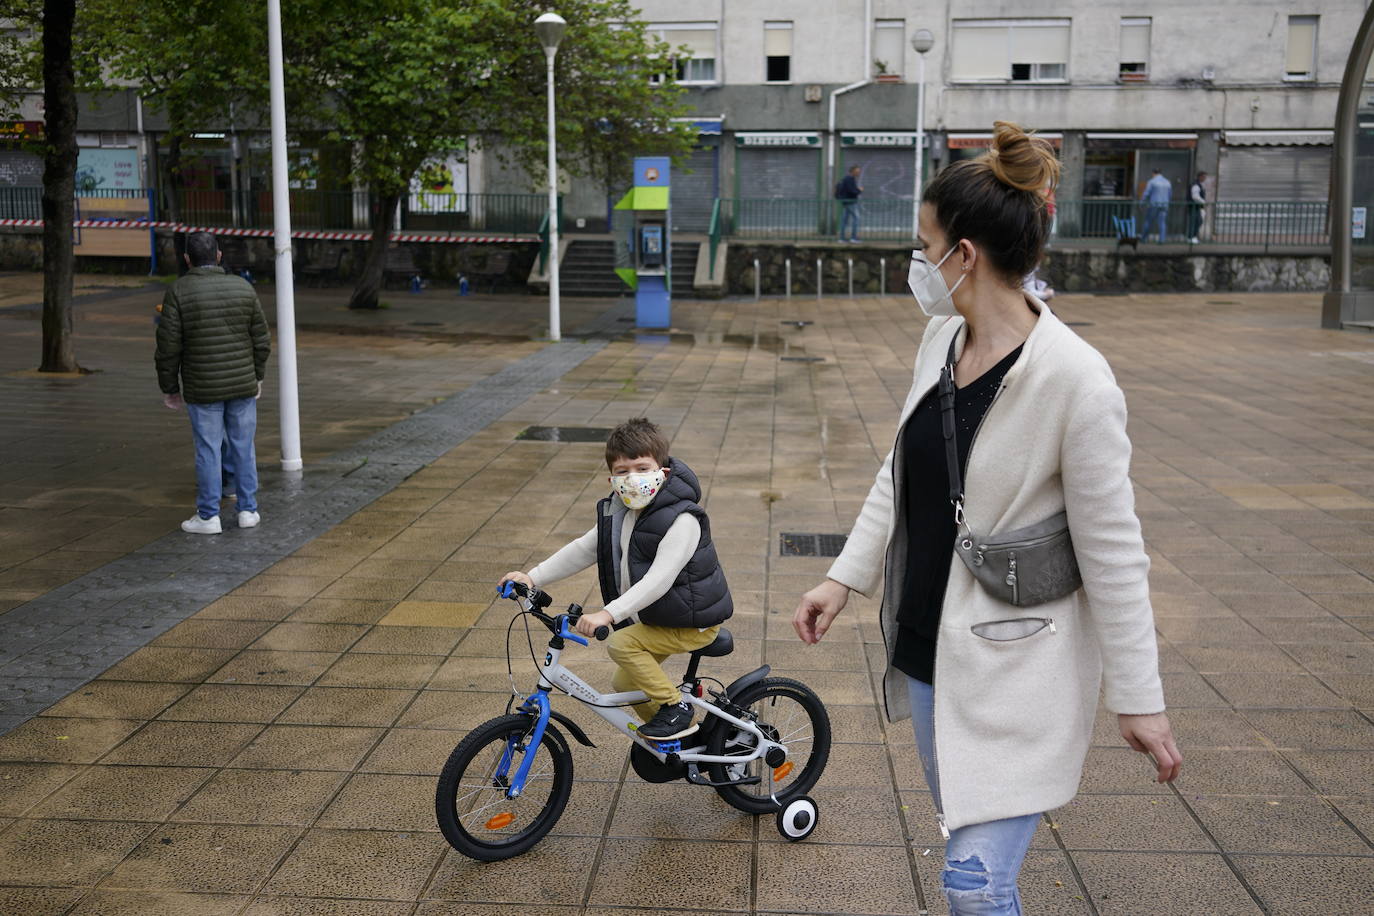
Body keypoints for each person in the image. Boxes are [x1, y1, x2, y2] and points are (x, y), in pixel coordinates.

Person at [792, 121, 1180, 915]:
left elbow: (1115, 553)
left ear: (962, 255)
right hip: (930, 649)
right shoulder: (941, 338)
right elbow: (900, 471)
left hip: (1015, 668)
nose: (914, 264)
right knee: (964, 845)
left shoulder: (1078, 381)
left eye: (922, 244)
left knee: (972, 882)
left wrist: (1138, 697)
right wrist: (843, 579)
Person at [499, 418, 732, 741]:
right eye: (623, 472)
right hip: (661, 617)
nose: (632, 479)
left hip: (692, 620)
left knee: (622, 643)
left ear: (662, 472)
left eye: (641, 468)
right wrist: (532, 577)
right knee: (626, 683)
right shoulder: (621, 511)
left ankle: (676, 708)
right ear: (612, 478)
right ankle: (683, 742)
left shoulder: (683, 519)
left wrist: (609, 614)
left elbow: (659, 580)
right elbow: (583, 549)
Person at [155, 231, 270, 535]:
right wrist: (257, 375)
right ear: (218, 255)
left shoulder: (178, 292)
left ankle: (209, 516)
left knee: (208, 450)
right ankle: (248, 510)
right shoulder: (243, 288)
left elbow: (168, 347)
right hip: (242, 384)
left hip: (202, 387)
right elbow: (262, 340)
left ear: (187, 259)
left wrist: (169, 387)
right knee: (244, 446)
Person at [1140, 167, 1172, 242]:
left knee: (1148, 221)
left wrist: (1141, 202)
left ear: (1153, 173)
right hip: (1164, 204)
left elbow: (1146, 193)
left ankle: (1144, 238)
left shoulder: (1152, 181)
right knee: (1162, 222)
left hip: (1154, 204)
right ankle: (1162, 239)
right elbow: (1170, 194)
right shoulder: (1167, 182)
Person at [835, 164, 863, 243]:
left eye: (859, 172)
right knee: (856, 218)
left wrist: (856, 190)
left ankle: (841, 238)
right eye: (857, 172)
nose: (858, 173)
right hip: (850, 202)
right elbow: (852, 191)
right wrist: (860, 190)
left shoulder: (846, 179)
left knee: (844, 220)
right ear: (852, 172)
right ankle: (853, 238)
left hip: (846, 201)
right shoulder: (850, 179)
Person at [1188, 170, 1207, 244]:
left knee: (1198, 221)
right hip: (1194, 206)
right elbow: (1195, 196)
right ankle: (1191, 237)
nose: (1205, 179)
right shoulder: (1196, 185)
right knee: (1195, 222)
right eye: (1204, 177)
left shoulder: (1199, 184)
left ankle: (1193, 237)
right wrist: (1203, 202)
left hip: (1197, 206)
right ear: (1200, 177)